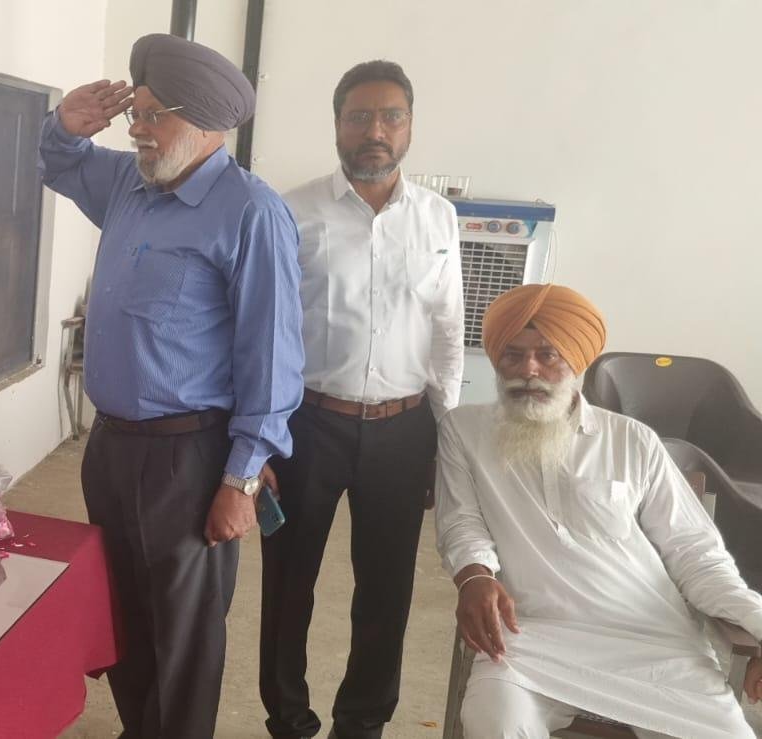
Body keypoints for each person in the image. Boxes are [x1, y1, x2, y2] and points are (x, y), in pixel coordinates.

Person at [39, 34, 303, 738]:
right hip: (111, 447)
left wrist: (241, 480)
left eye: (154, 115)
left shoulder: (251, 212)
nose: (138, 128)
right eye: (138, 112)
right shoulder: (131, 182)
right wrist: (66, 123)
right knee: (122, 613)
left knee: (184, 635)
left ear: (206, 123)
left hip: (190, 457)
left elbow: (273, 358)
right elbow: (60, 162)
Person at [437, 283, 762, 738]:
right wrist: (474, 575)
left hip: (654, 646)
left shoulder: (633, 440)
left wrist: (757, 625)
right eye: (513, 355)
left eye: (548, 355)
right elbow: (461, 521)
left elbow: (696, 553)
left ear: (578, 361)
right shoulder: (464, 430)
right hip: (529, 640)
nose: (528, 370)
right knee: (493, 722)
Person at [260, 60, 464, 739]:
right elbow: (265, 330)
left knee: (387, 589)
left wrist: (445, 438)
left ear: (410, 126)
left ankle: (363, 722)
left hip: (404, 431)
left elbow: (448, 331)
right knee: (288, 584)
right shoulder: (291, 211)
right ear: (337, 124)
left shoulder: (438, 218)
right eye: (360, 116)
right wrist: (257, 442)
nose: (375, 130)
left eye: (391, 116)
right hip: (307, 424)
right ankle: (289, 719)